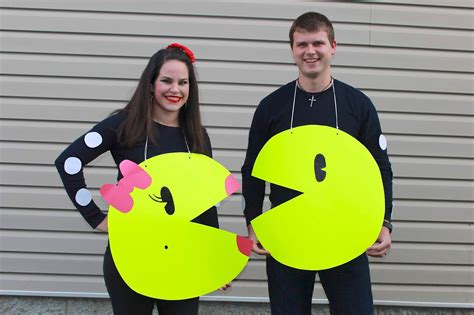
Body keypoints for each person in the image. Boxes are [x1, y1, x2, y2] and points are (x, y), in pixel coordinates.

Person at [241, 12, 393, 315]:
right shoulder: (272, 106)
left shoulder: (357, 105)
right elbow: (253, 171)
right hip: (287, 233)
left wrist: (384, 221)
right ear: (292, 49)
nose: (310, 51)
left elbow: (379, 168)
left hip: (345, 231)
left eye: (318, 43)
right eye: (302, 44)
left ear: (333, 46)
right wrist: (253, 222)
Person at [55, 43, 222, 315]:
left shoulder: (197, 136)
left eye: (183, 82)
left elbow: (206, 203)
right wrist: (95, 217)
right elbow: (68, 162)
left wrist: (214, 258)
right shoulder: (123, 124)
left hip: (182, 259)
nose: (175, 90)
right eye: (166, 81)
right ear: (151, 84)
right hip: (131, 257)